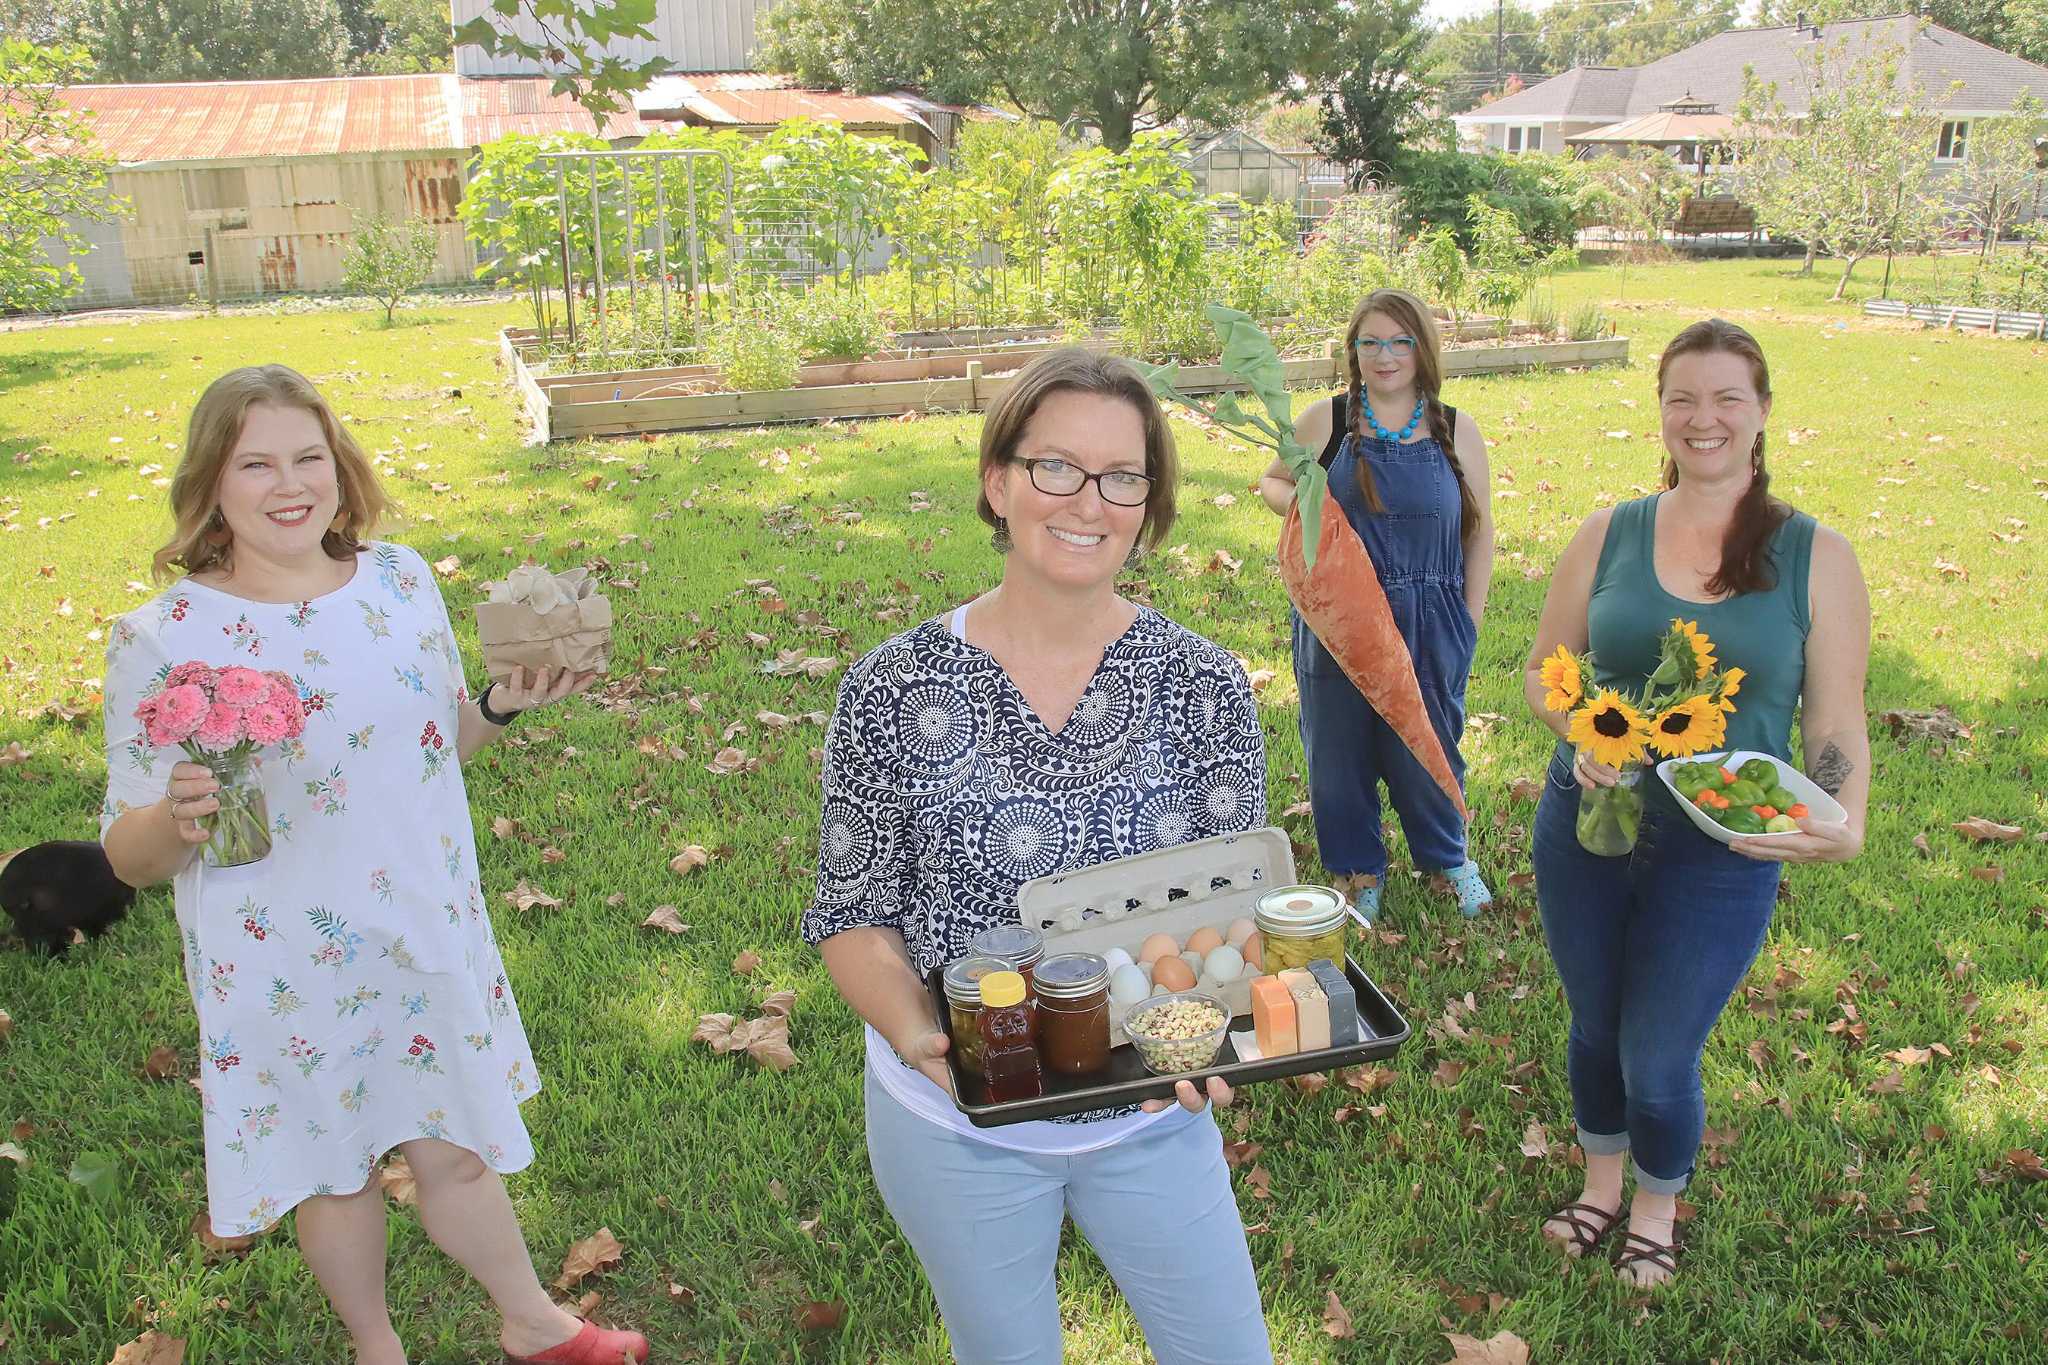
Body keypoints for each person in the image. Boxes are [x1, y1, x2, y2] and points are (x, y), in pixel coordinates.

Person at [99, 365, 647, 1365]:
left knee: (457, 1147)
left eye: (308, 457)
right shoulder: (164, 637)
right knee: (335, 1173)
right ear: (211, 484)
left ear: (339, 467)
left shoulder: (399, 581)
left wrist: (501, 705)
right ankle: (375, 1347)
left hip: (419, 917)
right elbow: (124, 857)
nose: (288, 484)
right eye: (254, 463)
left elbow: (437, 740)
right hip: (277, 961)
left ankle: (535, 1325)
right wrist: (176, 819)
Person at [802, 348, 1273, 1364]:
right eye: (1054, 466)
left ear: (1148, 505)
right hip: (954, 1126)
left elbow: (1232, 905)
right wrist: (924, 1041)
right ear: (997, 482)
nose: (1087, 502)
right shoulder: (892, 686)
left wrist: (1218, 1036)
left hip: (1150, 1114)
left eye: (1121, 477)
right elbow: (852, 908)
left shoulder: (1203, 683)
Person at [1522, 319, 1871, 1286]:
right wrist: (1585, 734)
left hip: (1725, 842)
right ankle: (1599, 1183)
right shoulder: (1611, 531)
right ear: (1660, 409)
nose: (1702, 418)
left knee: (1659, 1046)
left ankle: (1656, 1203)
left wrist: (1841, 821)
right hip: (1588, 819)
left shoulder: (1815, 555)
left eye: (1726, 398)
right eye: (1682, 397)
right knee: (1595, 1021)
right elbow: (1546, 674)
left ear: (1761, 412)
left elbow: (1834, 725)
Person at [1257, 287, 1496, 920]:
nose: (1384, 355)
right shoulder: (1327, 421)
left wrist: (1467, 622)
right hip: (1340, 618)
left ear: (1422, 349)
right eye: (1370, 342)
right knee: (1338, 749)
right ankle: (1358, 870)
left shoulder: (1455, 428)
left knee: (1430, 746)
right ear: (1353, 351)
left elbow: (1480, 531)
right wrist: (1312, 507)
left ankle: (1447, 859)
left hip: (1429, 618)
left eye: (1399, 341)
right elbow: (1272, 481)